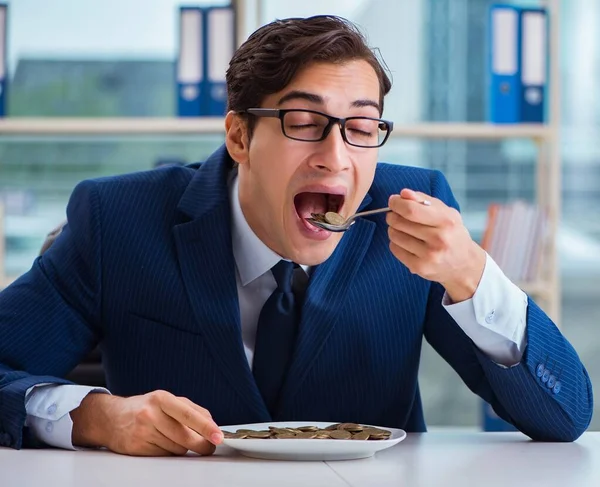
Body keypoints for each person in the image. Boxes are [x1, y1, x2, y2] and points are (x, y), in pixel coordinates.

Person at [0, 15, 592, 456]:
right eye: (303, 124)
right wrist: (96, 417)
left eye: (361, 127)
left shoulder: (410, 212)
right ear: (238, 138)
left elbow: (564, 415)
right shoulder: (119, 219)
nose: (336, 157)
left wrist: (473, 277)